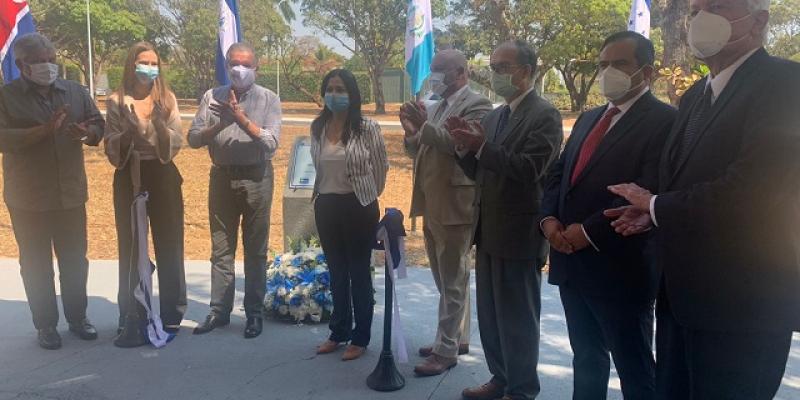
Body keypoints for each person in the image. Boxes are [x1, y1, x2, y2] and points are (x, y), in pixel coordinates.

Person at [605, 0, 800, 397]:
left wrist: (657, 206)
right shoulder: (695, 95)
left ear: (759, 21)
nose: (699, 19)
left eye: (717, 6)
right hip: (681, 298)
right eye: (695, 10)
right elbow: (680, 180)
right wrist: (654, 214)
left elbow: (753, 190)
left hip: (744, 304)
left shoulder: (785, 83)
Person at [540, 31, 675, 399]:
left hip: (620, 266)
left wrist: (588, 232)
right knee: (586, 357)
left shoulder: (665, 121)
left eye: (619, 64)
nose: (607, 72)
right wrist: (549, 221)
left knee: (634, 365)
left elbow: (648, 186)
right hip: (570, 262)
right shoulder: (588, 118)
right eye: (603, 64)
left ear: (646, 72)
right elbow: (559, 173)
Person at [451, 40, 563, 400]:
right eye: (493, 66)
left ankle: (522, 388)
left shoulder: (544, 114)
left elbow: (531, 169)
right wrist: (464, 148)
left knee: (518, 319)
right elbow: (480, 169)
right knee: (491, 316)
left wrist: (483, 147)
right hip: (487, 230)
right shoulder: (495, 115)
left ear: (526, 71)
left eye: (503, 67)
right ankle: (499, 378)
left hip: (519, 233)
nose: (495, 74)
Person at [0, 33, 104, 350]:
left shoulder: (74, 91)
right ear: (21, 65)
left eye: (51, 59)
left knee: (75, 261)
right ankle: (45, 326)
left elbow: (98, 124)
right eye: (40, 61)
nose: (48, 65)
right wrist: (43, 132)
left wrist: (87, 133)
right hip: (28, 198)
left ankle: (77, 318)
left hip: (70, 195)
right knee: (36, 265)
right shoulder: (6, 96)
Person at [400, 49, 492, 376]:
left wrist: (424, 127)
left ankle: (445, 350)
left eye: (440, 70)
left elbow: (460, 147)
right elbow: (420, 148)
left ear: (460, 72)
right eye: (433, 70)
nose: (433, 76)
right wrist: (412, 130)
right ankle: (456, 336)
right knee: (445, 278)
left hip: (456, 203)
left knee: (452, 279)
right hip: (431, 200)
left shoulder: (478, 105)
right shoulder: (437, 105)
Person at [188, 42, 282, 339]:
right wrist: (220, 124)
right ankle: (219, 311)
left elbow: (271, 143)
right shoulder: (211, 97)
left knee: (255, 250)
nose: (239, 69)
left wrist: (241, 120)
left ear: (257, 67)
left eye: (245, 64)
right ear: (226, 65)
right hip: (222, 178)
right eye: (233, 63)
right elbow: (192, 139)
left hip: (257, 178)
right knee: (221, 249)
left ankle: (254, 313)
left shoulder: (269, 99)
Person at [104, 42, 186, 338]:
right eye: (143, 62)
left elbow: (176, 142)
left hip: (162, 173)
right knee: (131, 245)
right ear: (131, 64)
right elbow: (110, 147)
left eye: (153, 63)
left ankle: (171, 314)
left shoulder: (167, 99)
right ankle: (131, 312)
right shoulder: (115, 101)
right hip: (129, 174)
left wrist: (161, 126)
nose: (149, 68)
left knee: (170, 243)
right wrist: (126, 132)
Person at [312, 69, 388, 361]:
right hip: (326, 205)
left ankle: (361, 336)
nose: (335, 94)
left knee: (358, 273)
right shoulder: (318, 127)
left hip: (359, 206)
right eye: (330, 88)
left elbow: (380, 168)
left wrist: (368, 194)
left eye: (341, 89)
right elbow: (318, 167)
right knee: (337, 272)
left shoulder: (367, 127)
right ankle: (338, 331)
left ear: (352, 94)